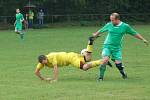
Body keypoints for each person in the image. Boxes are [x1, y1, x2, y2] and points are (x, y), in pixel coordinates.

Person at [92, 13, 148, 81]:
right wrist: (95, 35)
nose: (111, 22)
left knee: (118, 65)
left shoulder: (125, 26)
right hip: (107, 46)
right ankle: (100, 78)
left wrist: (143, 39)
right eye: (111, 20)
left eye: (113, 20)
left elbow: (134, 33)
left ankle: (123, 74)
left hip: (117, 48)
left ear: (117, 19)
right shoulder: (109, 24)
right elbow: (101, 30)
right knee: (105, 60)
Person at [34, 37, 112, 82]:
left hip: (71, 59)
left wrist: (55, 79)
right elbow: (36, 72)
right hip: (72, 55)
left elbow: (55, 68)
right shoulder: (41, 62)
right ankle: (90, 42)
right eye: (44, 63)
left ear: (46, 57)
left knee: (84, 67)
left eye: (46, 60)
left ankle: (102, 61)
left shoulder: (51, 56)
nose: (46, 62)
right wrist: (43, 79)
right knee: (88, 58)